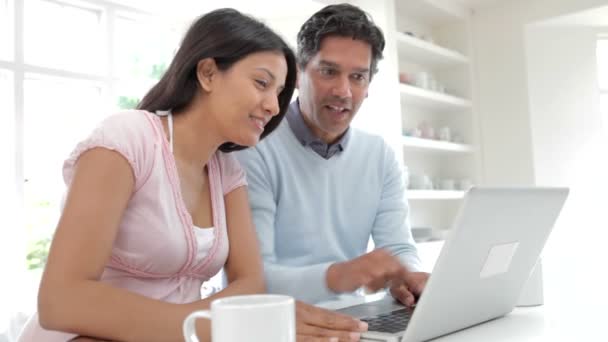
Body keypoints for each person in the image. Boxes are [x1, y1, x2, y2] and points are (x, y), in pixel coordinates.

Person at [17, 8, 300, 342]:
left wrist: (197, 326)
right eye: (262, 83)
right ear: (208, 73)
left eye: (280, 93)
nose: (274, 106)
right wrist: (196, 325)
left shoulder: (226, 171)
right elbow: (61, 301)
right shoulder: (127, 138)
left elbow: (250, 283)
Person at [236, 2, 431, 334]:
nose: (343, 91)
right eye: (329, 72)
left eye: (357, 77)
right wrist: (338, 275)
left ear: (368, 86)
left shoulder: (378, 155)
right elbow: (253, 280)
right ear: (297, 74)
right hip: (277, 325)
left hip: (351, 319)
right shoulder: (256, 147)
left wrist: (408, 277)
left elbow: (398, 247)